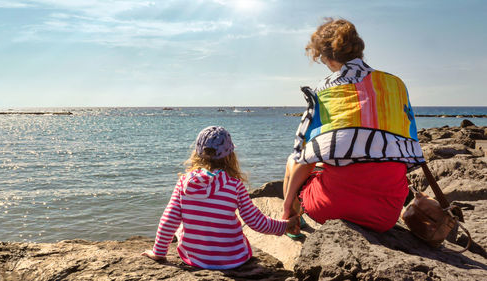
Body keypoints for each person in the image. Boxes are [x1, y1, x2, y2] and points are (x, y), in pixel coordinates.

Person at [282, 18, 425, 235]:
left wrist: (286, 204)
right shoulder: (396, 84)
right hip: (385, 216)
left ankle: (291, 223)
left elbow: (304, 157)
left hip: (331, 208)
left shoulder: (325, 89)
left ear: (328, 59)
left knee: (295, 158)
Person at [142, 126, 299, 269]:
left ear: (197, 153)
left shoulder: (184, 183)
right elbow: (256, 221)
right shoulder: (235, 185)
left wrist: (159, 252)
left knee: (180, 228)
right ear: (230, 156)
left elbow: (169, 219)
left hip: (195, 259)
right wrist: (284, 225)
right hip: (233, 259)